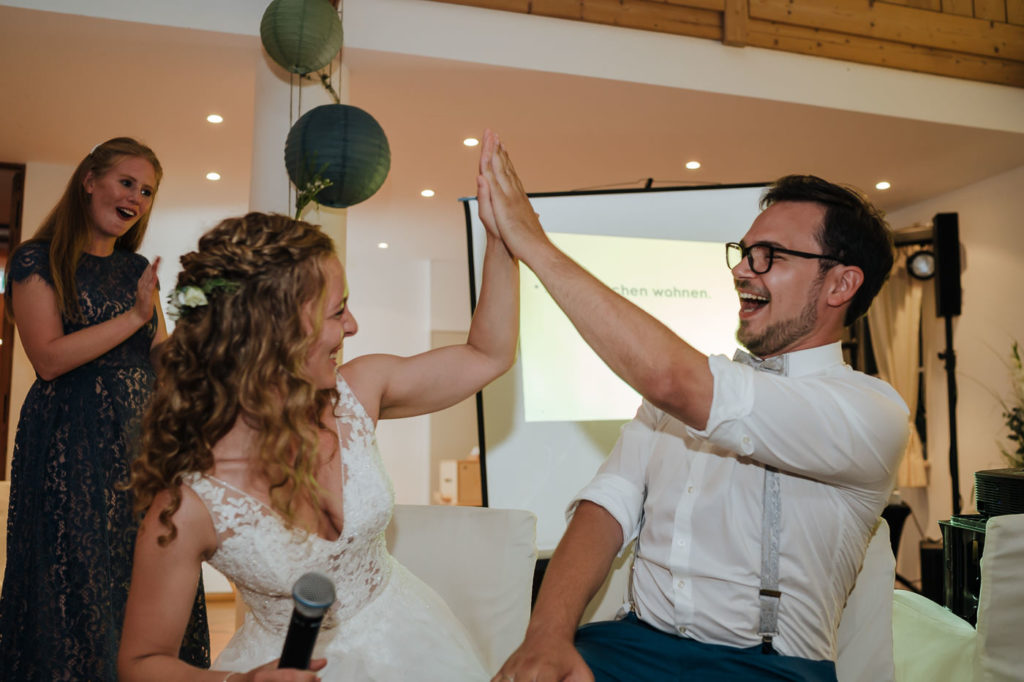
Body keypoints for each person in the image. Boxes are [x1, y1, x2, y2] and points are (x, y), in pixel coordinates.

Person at [478, 131, 909, 682]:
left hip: (769, 671)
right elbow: (607, 507)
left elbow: (672, 379)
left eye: (769, 256)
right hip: (627, 646)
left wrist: (532, 241)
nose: (741, 270)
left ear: (841, 284)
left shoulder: (871, 412)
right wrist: (545, 639)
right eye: (744, 253)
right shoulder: (693, 390)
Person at [117, 152, 519, 682]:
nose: (353, 326)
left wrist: (501, 239)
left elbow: (486, 355)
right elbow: (141, 664)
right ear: (274, 333)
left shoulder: (360, 391)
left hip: (413, 642)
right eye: (336, 311)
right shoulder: (187, 505)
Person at [0, 137, 210, 680]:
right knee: (75, 577)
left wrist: (203, 335)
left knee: (142, 570)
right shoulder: (35, 258)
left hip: (141, 444)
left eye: (146, 191)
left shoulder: (136, 267)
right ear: (89, 180)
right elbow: (47, 358)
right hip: (69, 443)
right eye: (127, 182)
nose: (136, 197)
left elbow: (160, 355)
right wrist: (134, 316)